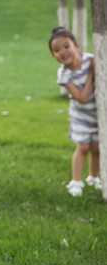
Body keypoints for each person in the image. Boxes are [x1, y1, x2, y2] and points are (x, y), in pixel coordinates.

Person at [49, 27, 100, 197]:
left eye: (66, 46)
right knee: (83, 146)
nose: (62, 52)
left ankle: (93, 178)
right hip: (81, 116)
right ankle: (76, 182)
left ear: (77, 47)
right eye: (56, 50)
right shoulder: (64, 75)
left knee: (97, 148)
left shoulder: (92, 59)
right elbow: (82, 98)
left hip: (99, 115)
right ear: (53, 56)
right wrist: (92, 74)